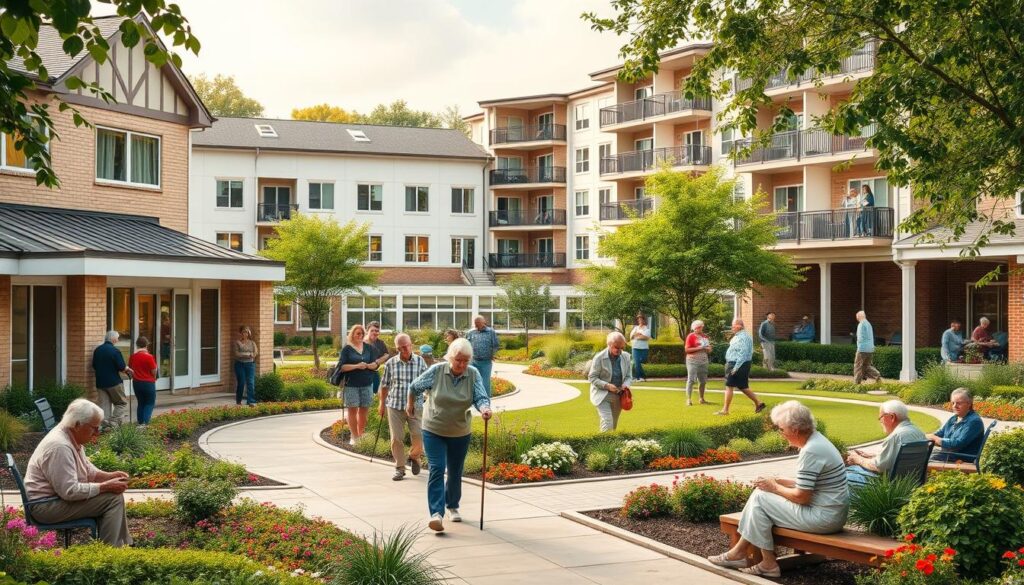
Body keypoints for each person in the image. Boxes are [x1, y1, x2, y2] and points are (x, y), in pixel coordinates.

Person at [707, 401, 848, 578]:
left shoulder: (811, 450)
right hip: (830, 513)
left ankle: (759, 560)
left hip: (824, 518)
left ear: (795, 430)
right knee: (762, 496)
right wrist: (780, 481)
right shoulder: (817, 441)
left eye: (781, 429)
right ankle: (745, 555)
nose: (781, 434)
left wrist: (774, 487)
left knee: (760, 498)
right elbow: (813, 485)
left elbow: (802, 497)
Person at [408, 338, 492, 532]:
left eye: (466, 361)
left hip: (460, 431)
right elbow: (414, 387)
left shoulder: (473, 374)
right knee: (437, 468)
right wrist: (410, 403)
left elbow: (480, 396)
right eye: (458, 360)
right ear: (450, 357)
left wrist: (485, 408)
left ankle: (452, 506)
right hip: (433, 429)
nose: (462, 365)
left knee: (455, 471)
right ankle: (436, 514)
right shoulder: (437, 371)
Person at [23, 399, 132, 546]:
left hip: (54, 500)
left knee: (112, 496)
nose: (97, 433)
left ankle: (118, 546)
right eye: (94, 428)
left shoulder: (71, 436)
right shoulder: (60, 447)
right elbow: (69, 491)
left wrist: (108, 476)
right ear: (77, 425)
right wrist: (104, 486)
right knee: (113, 499)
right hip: (45, 507)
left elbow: (86, 469)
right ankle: (110, 554)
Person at [379, 333, 429, 481]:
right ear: (396, 349)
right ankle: (400, 468)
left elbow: (428, 383)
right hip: (395, 405)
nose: (404, 350)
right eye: (400, 348)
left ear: (411, 344)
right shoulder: (391, 363)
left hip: (416, 406)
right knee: (396, 438)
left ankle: (414, 456)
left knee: (419, 435)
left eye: (406, 346)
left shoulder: (420, 362)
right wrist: (381, 404)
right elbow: (384, 385)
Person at [845, 400, 927, 489]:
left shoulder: (896, 436)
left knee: (844, 474)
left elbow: (878, 467)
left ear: (892, 417)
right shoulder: (918, 432)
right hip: (911, 483)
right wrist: (874, 456)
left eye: (881, 418)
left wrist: (858, 459)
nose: (880, 422)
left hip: (890, 487)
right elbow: (898, 458)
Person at [339, 324, 379, 444]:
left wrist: (374, 365)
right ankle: (354, 436)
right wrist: (356, 366)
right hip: (351, 384)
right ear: (352, 334)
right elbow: (341, 367)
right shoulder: (347, 349)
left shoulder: (368, 348)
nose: (360, 336)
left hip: (367, 383)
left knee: (364, 410)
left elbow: (375, 363)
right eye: (358, 334)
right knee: (352, 410)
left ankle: (361, 435)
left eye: (362, 334)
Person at [716, 319, 765, 416]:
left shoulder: (744, 337)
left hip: (737, 364)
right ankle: (759, 403)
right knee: (742, 386)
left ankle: (725, 410)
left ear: (739, 326)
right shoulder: (739, 336)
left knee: (729, 386)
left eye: (733, 326)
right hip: (737, 363)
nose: (732, 327)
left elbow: (743, 353)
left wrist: (735, 368)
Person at [588, 332, 633, 432]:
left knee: (613, 425)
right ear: (609, 344)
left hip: (619, 395)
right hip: (602, 395)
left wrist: (625, 385)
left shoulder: (626, 357)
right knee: (607, 421)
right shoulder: (599, 358)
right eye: (617, 347)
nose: (620, 351)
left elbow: (629, 376)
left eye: (622, 348)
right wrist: (607, 386)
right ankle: (602, 446)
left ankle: (608, 446)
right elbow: (592, 377)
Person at [926, 388, 985, 463]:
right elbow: (941, 433)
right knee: (921, 454)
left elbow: (957, 444)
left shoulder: (974, 422)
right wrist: (926, 437)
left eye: (959, 403)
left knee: (923, 460)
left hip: (960, 458)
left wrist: (934, 438)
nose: (955, 406)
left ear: (969, 403)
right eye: (953, 403)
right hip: (949, 454)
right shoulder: (954, 418)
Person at [91, 331, 133, 428]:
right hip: (114, 382)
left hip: (100, 382)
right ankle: (113, 423)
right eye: (117, 338)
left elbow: (94, 365)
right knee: (122, 402)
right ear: (113, 339)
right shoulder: (115, 351)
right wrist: (128, 369)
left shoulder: (98, 350)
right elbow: (122, 367)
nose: (118, 340)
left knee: (104, 405)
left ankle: (104, 425)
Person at [465, 315, 499, 397]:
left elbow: (495, 345)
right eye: (475, 323)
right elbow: (466, 345)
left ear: (484, 322)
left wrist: (492, 354)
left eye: (478, 323)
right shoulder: (470, 332)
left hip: (486, 362)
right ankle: (473, 399)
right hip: (473, 361)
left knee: (485, 382)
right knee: (472, 381)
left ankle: (486, 400)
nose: (476, 325)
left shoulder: (491, 332)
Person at [127, 336, 158, 425]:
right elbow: (154, 371)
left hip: (136, 383)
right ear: (146, 345)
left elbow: (130, 369)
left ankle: (140, 422)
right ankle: (145, 423)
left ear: (137, 345)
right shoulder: (149, 357)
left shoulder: (133, 357)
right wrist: (154, 377)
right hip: (148, 383)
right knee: (149, 403)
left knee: (141, 403)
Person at [684, 320, 712, 406]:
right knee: (691, 380)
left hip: (703, 361)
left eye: (701, 327)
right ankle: (688, 399)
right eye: (699, 327)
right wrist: (700, 348)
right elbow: (687, 350)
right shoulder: (691, 336)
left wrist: (709, 349)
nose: (701, 328)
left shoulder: (705, 336)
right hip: (692, 361)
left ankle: (701, 398)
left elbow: (709, 350)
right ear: (695, 328)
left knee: (703, 381)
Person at [854, 311, 881, 384]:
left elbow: (860, 338)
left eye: (857, 317)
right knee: (866, 366)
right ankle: (877, 375)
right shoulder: (868, 324)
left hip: (862, 349)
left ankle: (856, 384)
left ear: (859, 317)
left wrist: (859, 345)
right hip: (870, 349)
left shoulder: (861, 324)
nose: (857, 319)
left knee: (858, 366)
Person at [233, 326, 258, 406]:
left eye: (247, 332)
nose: (245, 334)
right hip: (240, 365)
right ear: (241, 333)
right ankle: (238, 401)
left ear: (249, 333)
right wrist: (248, 354)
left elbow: (255, 353)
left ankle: (251, 401)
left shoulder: (252, 343)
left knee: (250, 383)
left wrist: (247, 355)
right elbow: (237, 354)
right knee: (241, 382)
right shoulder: (238, 343)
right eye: (244, 332)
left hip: (250, 365)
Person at [629, 314, 651, 382]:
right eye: (639, 319)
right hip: (635, 347)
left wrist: (637, 336)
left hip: (644, 348)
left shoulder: (647, 329)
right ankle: (638, 377)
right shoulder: (635, 328)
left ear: (644, 320)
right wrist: (639, 335)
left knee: (641, 361)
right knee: (636, 363)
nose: (639, 320)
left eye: (641, 319)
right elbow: (631, 337)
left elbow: (646, 337)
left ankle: (642, 376)